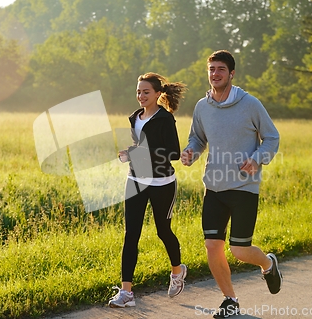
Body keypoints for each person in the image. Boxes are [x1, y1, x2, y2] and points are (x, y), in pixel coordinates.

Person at [180, 50, 282, 318]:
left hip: (243, 187)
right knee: (213, 246)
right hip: (213, 187)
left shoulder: (250, 104)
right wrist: (191, 151)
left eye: (221, 69)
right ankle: (230, 300)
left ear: (231, 73)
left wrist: (258, 159)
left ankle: (268, 263)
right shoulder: (202, 107)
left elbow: (271, 138)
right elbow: (197, 139)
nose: (215, 74)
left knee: (239, 249)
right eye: (211, 69)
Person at [108, 72, 188, 308]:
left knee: (163, 231)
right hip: (136, 179)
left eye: (146, 92)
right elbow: (140, 146)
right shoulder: (135, 117)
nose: (141, 96)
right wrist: (130, 152)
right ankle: (126, 293)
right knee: (131, 234)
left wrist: (136, 152)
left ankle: (177, 271)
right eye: (138, 92)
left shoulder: (165, 119)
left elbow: (173, 152)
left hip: (162, 182)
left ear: (157, 94)